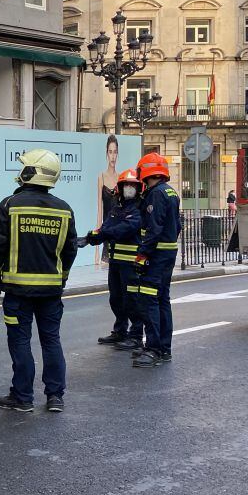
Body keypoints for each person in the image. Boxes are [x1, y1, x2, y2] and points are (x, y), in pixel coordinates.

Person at [0, 149, 77, 413]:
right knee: (51, 341)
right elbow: (69, 250)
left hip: (17, 291)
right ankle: (55, 397)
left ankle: (23, 397)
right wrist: (61, 279)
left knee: (21, 342)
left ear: (31, 172)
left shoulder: (9, 205)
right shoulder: (65, 210)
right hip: (51, 291)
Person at [82, 169, 144, 351]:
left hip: (131, 265)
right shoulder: (116, 209)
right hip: (116, 263)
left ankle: (136, 336)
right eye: (127, 185)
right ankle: (120, 331)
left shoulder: (139, 209)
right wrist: (90, 238)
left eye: (133, 185)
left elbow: (123, 229)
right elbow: (106, 228)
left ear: (138, 188)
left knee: (132, 299)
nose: (129, 188)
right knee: (116, 299)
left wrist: (99, 234)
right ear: (121, 187)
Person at [132, 153, 181, 368]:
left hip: (157, 255)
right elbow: (176, 226)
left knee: (149, 300)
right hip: (167, 254)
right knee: (162, 300)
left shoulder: (156, 194)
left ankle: (153, 349)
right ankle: (164, 348)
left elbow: (153, 228)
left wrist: (142, 254)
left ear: (146, 172)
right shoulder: (171, 192)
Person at [96, 135, 119, 265]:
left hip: (119, 232)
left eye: (115, 152)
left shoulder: (121, 178)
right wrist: (96, 250)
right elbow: (100, 211)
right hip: (106, 231)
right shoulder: (101, 177)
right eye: (110, 152)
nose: (113, 156)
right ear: (107, 153)